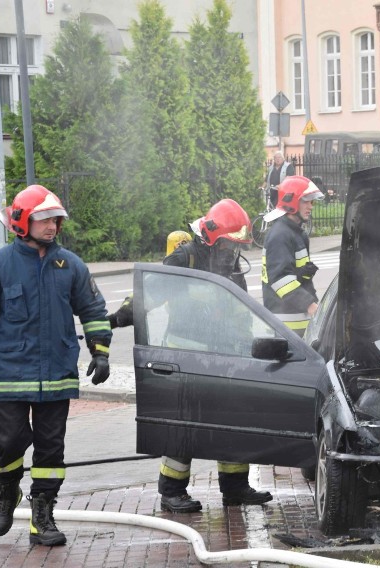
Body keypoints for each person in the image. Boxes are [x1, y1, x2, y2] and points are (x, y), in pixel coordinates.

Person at [0, 184, 112, 546]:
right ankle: (7, 491)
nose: (52, 226)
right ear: (21, 222)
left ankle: (43, 517)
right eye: (43, 219)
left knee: (50, 450)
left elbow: (93, 309)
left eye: (55, 219)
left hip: (57, 375)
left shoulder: (69, 265)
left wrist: (100, 351)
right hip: (10, 376)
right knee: (7, 442)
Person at [108, 199, 273, 512]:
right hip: (187, 359)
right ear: (212, 237)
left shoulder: (230, 262)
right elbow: (151, 290)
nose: (233, 252)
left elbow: (238, 308)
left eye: (237, 246)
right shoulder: (187, 257)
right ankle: (172, 492)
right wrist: (119, 317)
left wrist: (249, 345)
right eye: (228, 245)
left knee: (232, 423)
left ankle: (235, 488)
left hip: (225, 357)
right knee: (184, 427)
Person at [261, 176, 323, 337]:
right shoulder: (280, 235)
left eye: (312, 202)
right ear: (291, 202)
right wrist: (310, 305)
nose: (311, 206)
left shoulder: (295, 233)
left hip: (297, 322)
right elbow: (281, 280)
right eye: (306, 201)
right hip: (286, 326)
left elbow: (299, 279)